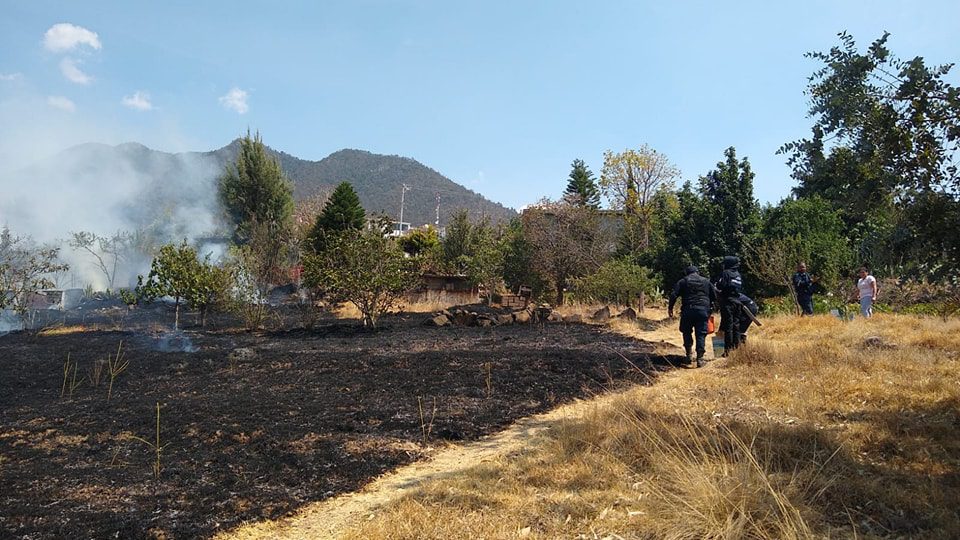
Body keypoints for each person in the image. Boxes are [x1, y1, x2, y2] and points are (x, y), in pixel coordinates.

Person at [668, 265, 717, 368]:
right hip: (703, 311)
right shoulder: (706, 281)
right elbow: (714, 296)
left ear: (687, 273)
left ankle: (688, 355)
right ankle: (700, 359)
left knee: (686, 332)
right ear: (697, 272)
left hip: (688, 311)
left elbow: (673, 295)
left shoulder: (683, 281)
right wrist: (710, 306)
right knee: (701, 334)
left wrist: (670, 308)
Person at [716, 255, 744, 355]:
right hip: (737, 302)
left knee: (727, 326)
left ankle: (726, 351)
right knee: (736, 325)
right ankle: (736, 349)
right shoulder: (738, 274)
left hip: (727, 302)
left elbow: (720, 285)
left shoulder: (725, 273)